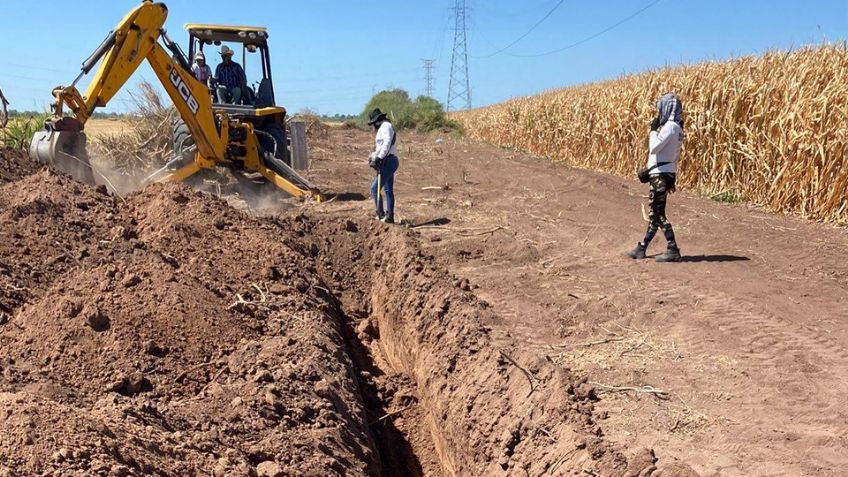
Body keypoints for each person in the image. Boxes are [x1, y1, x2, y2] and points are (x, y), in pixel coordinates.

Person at [627, 93, 685, 262]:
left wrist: (652, 130)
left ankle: (673, 249)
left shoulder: (671, 127)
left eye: (661, 108)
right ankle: (642, 248)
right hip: (662, 173)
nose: (659, 112)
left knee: (658, 215)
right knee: (655, 215)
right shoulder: (677, 127)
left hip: (660, 176)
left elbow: (654, 147)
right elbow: (669, 154)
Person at [367, 108, 399, 223]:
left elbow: (387, 143)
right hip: (388, 161)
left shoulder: (386, 126)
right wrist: (373, 156)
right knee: (388, 190)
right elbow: (380, 147)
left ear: (377, 120)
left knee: (374, 189)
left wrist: (379, 158)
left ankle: (380, 214)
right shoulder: (383, 127)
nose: (373, 126)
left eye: (373, 123)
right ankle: (389, 216)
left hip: (389, 162)